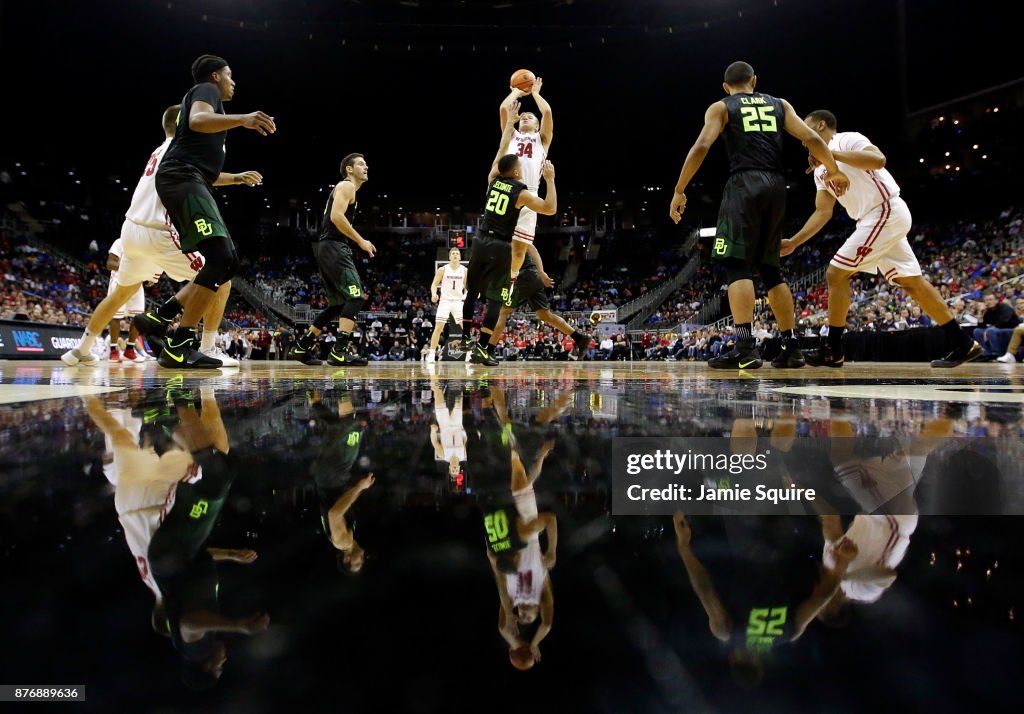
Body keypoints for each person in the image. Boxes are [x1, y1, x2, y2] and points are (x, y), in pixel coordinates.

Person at [669, 61, 850, 370]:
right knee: (770, 269)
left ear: (726, 86)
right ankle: (791, 347)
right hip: (777, 186)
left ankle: (744, 348)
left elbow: (702, 144)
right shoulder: (780, 104)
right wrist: (832, 170)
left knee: (736, 264)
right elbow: (814, 140)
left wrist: (679, 189)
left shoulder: (721, 106)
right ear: (754, 81)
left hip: (744, 184)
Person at [782, 110, 981, 368]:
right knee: (912, 283)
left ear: (821, 125)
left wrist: (831, 155)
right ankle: (964, 343)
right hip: (871, 220)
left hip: (885, 210)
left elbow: (878, 159)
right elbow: (823, 211)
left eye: (806, 128)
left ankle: (833, 348)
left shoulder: (847, 140)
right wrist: (795, 241)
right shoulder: (820, 170)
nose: (802, 137)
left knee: (835, 274)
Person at [62, 104, 253, 368]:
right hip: (158, 229)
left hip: (131, 230)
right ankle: (209, 347)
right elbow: (202, 175)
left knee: (119, 295)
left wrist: (236, 179)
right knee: (222, 275)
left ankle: (80, 350)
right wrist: (235, 179)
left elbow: (201, 175)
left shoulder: (159, 150)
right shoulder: (183, 148)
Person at [143, 54, 275, 368]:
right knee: (221, 257)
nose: (233, 81)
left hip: (192, 178)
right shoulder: (207, 91)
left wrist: (238, 178)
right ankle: (178, 342)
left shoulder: (213, 107)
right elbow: (197, 121)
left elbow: (207, 172)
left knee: (226, 262)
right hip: (181, 178)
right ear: (215, 76)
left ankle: (161, 318)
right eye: (229, 75)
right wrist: (244, 119)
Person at [290, 154, 376, 366]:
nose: (366, 167)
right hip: (334, 246)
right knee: (356, 297)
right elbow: (336, 217)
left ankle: (302, 347)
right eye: (361, 164)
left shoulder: (348, 189)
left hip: (327, 247)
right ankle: (339, 352)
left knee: (337, 304)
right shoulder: (347, 186)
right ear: (349, 169)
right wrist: (361, 241)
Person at [496, 77, 553, 299]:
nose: (526, 117)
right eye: (524, 117)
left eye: (531, 117)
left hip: (530, 192)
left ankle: (510, 280)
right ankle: (493, 278)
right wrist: (516, 92)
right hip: (508, 189)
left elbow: (547, 113)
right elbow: (503, 108)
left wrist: (536, 93)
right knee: (500, 244)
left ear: (537, 125)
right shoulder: (511, 134)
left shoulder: (542, 140)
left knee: (520, 248)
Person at [104, 238, 148, 363]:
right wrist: (130, 269)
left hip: (136, 283)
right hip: (119, 282)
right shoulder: (120, 242)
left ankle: (130, 349)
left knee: (138, 318)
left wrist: (149, 276)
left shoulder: (144, 245)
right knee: (116, 317)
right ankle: (113, 350)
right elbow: (110, 264)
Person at [427, 248, 468, 362]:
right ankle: (431, 354)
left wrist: (465, 296)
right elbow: (434, 284)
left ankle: (469, 353)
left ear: (460, 257)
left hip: (458, 302)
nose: (455, 255)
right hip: (445, 301)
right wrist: (434, 294)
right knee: (439, 327)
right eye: (453, 254)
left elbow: (469, 287)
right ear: (449, 257)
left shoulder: (464, 270)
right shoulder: (442, 269)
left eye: (457, 254)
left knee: (465, 327)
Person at [973, 292, 1020, 360]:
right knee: (977, 331)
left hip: (1012, 330)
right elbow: (982, 326)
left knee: (991, 330)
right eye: (987, 300)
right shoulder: (988, 311)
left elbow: (1003, 321)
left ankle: (997, 353)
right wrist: (980, 313)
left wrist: (988, 330)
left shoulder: (1004, 307)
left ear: (996, 300)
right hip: (996, 330)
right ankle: (986, 353)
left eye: (991, 299)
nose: (989, 302)